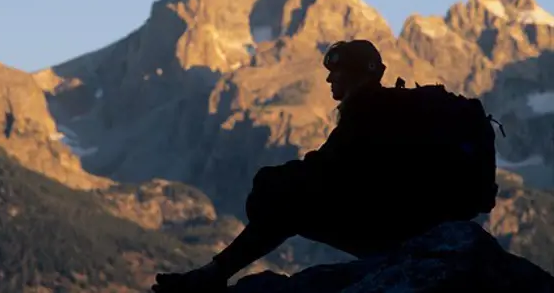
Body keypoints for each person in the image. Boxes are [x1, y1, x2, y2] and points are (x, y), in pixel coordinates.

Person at [152, 39, 483, 293]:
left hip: (399, 232)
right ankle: (213, 273)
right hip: (413, 224)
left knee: (287, 207)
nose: (328, 80)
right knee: (287, 200)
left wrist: (268, 182)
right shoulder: (386, 108)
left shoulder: (369, 112)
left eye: (335, 72)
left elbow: (326, 171)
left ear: (353, 74)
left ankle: (212, 275)